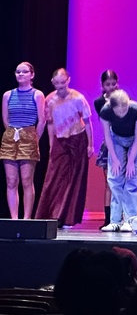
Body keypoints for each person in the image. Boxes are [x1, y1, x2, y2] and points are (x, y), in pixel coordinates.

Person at [36, 68, 93, 227]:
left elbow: (87, 123)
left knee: (75, 178)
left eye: (63, 83)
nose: (60, 87)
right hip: (60, 140)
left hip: (77, 138)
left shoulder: (78, 98)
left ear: (68, 80)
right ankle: (51, 214)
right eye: (57, 84)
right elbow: (50, 123)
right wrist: (51, 145)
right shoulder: (50, 100)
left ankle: (67, 217)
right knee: (55, 177)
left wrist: (90, 144)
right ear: (53, 83)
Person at [2, 61, 46, 219]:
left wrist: (34, 139)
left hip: (29, 135)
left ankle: (26, 219)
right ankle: (14, 218)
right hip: (11, 136)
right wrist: (13, 134)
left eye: (24, 72)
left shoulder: (37, 94)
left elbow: (42, 120)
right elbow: (5, 119)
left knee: (27, 180)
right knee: (11, 180)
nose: (20, 74)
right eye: (18, 72)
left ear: (32, 75)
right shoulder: (8, 95)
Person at [98, 89, 137, 231]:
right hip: (116, 140)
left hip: (136, 140)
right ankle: (115, 221)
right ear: (112, 108)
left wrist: (131, 161)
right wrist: (114, 159)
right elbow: (107, 137)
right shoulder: (105, 111)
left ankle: (130, 220)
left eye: (124, 109)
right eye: (118, 111)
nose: (122, 113)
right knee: (115, 178)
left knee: (133, 178)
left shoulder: (136, 110)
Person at [93, 70, 119, 228]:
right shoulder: (99, 102)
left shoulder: (123, 99)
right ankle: (108, 218)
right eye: (107, 84)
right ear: (103, 85)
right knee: (109, 182)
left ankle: (120, 216)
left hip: (122, 142)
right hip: (108, 142)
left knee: (120, 182)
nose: (111, 87)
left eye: (113, 84)